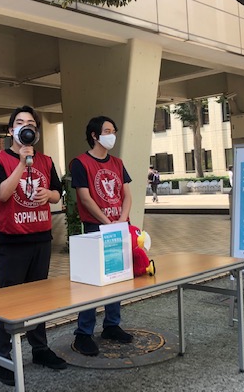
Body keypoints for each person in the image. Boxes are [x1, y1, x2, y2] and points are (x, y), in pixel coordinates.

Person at [0, 105, 66, 386]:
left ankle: (40, 349)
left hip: (41, 238)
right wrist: (22, 162)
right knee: (8, 301)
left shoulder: (46, 160)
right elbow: (3, 195)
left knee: (38, 299)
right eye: (19, 122)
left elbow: (58, 193)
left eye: (31, 123)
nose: (25, 126)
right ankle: (2, 358)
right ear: (11, 130)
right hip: (13, 241)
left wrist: (49, 193)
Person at [70, 116, 134, 356]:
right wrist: (108, 223)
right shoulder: (80, 162)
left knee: (116, 278)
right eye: (107, 131)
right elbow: (85, 197)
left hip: (118, 226)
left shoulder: (117, 162)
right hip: (95, 229)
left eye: (114, 130)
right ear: (95, 135)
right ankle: (83, 333)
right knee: (91, 283)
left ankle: (111, 325)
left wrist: (121, 220)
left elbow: (127, 194)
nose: (112, 135)